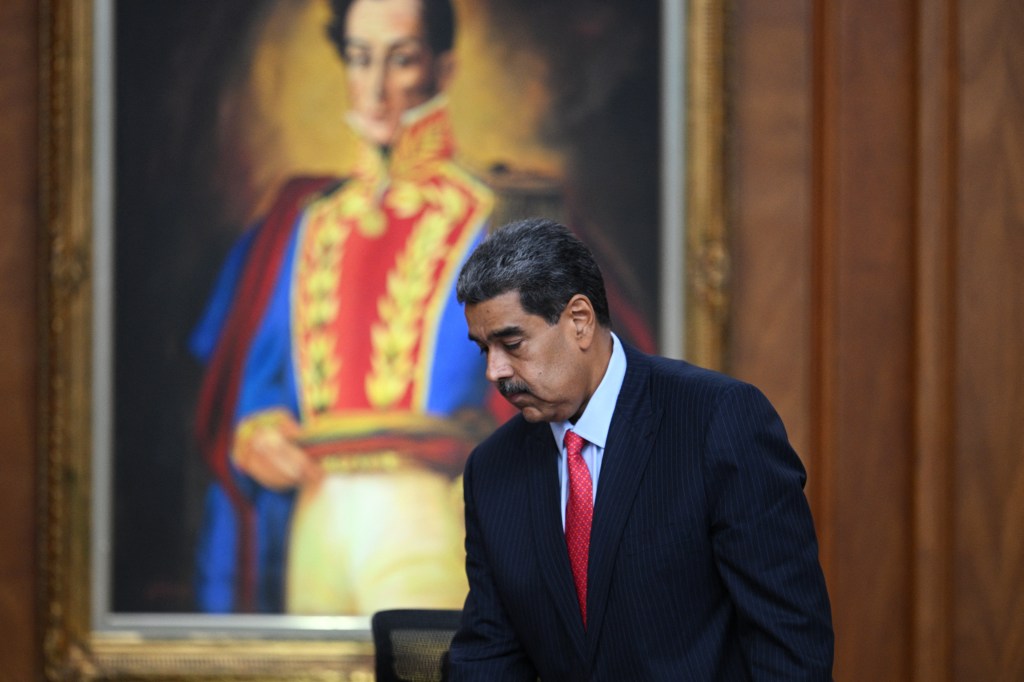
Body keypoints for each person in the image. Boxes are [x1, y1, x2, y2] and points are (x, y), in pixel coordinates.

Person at [189, 0, 500, 614]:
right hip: (317, 510)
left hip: (430, 513)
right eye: (360, 60)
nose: (377, 87)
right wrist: (260, 429)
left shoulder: (491, 218)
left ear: (443, 70)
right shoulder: (305, 224)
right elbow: (263, 381)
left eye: (401, 60)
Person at [448, 218, 834, 680]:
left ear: (579, 321)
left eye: (511, 343)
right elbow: (488, 657)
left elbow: (789, 643)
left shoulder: (717, 422)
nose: (495, 371)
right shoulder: (492, 470)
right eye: (483, 349)